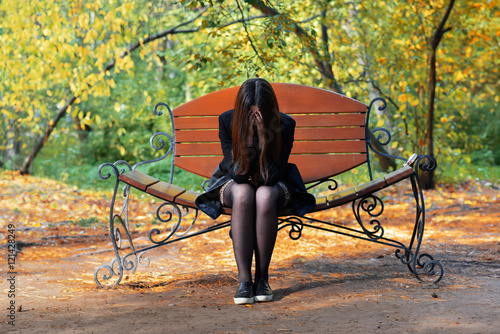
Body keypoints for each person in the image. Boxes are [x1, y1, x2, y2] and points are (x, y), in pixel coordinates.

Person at [195, 78, 315, 304]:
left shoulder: (284, 125)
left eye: (259, 112)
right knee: (243, 192)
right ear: (242, 108)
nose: (254, 115)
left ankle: (262, 279)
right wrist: (249, 141)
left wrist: (263, 138)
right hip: (233, 182)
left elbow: (272, 177)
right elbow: (238, 175)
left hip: (273, 182)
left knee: (265, 194)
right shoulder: (227, 121)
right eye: (250, 111)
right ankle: (244, 281)